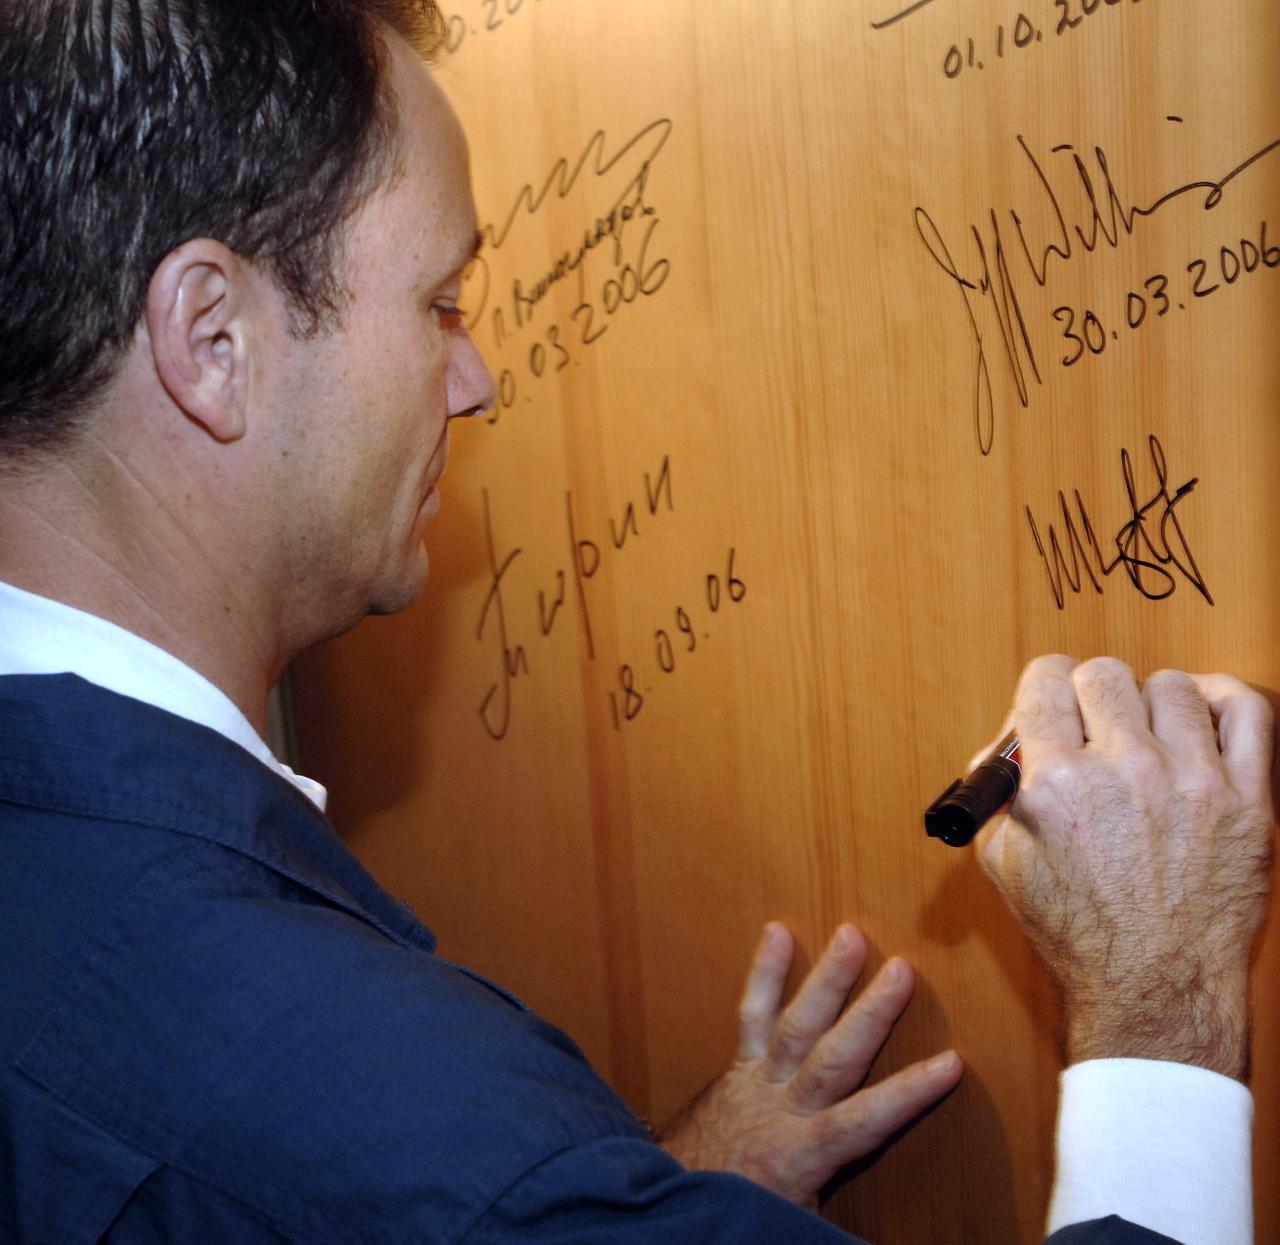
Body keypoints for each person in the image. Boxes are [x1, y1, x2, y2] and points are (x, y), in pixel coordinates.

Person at [0, 2, 1270, 1242]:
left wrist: (648, 1199)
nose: (476, 378)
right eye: (439, 302)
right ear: (211, 339)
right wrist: (1156, 1003)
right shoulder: (423, 1141)